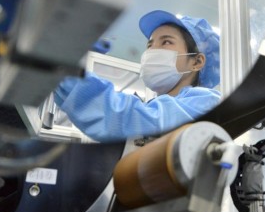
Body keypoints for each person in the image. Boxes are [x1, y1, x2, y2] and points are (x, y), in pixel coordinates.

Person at [54, 10, 221, 142]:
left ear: (197, 62)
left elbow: (121, 117)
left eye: (166, 42)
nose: (152, 51)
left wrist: (64, 62)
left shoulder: (207, 103)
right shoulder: (156, 107)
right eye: (150, 44)